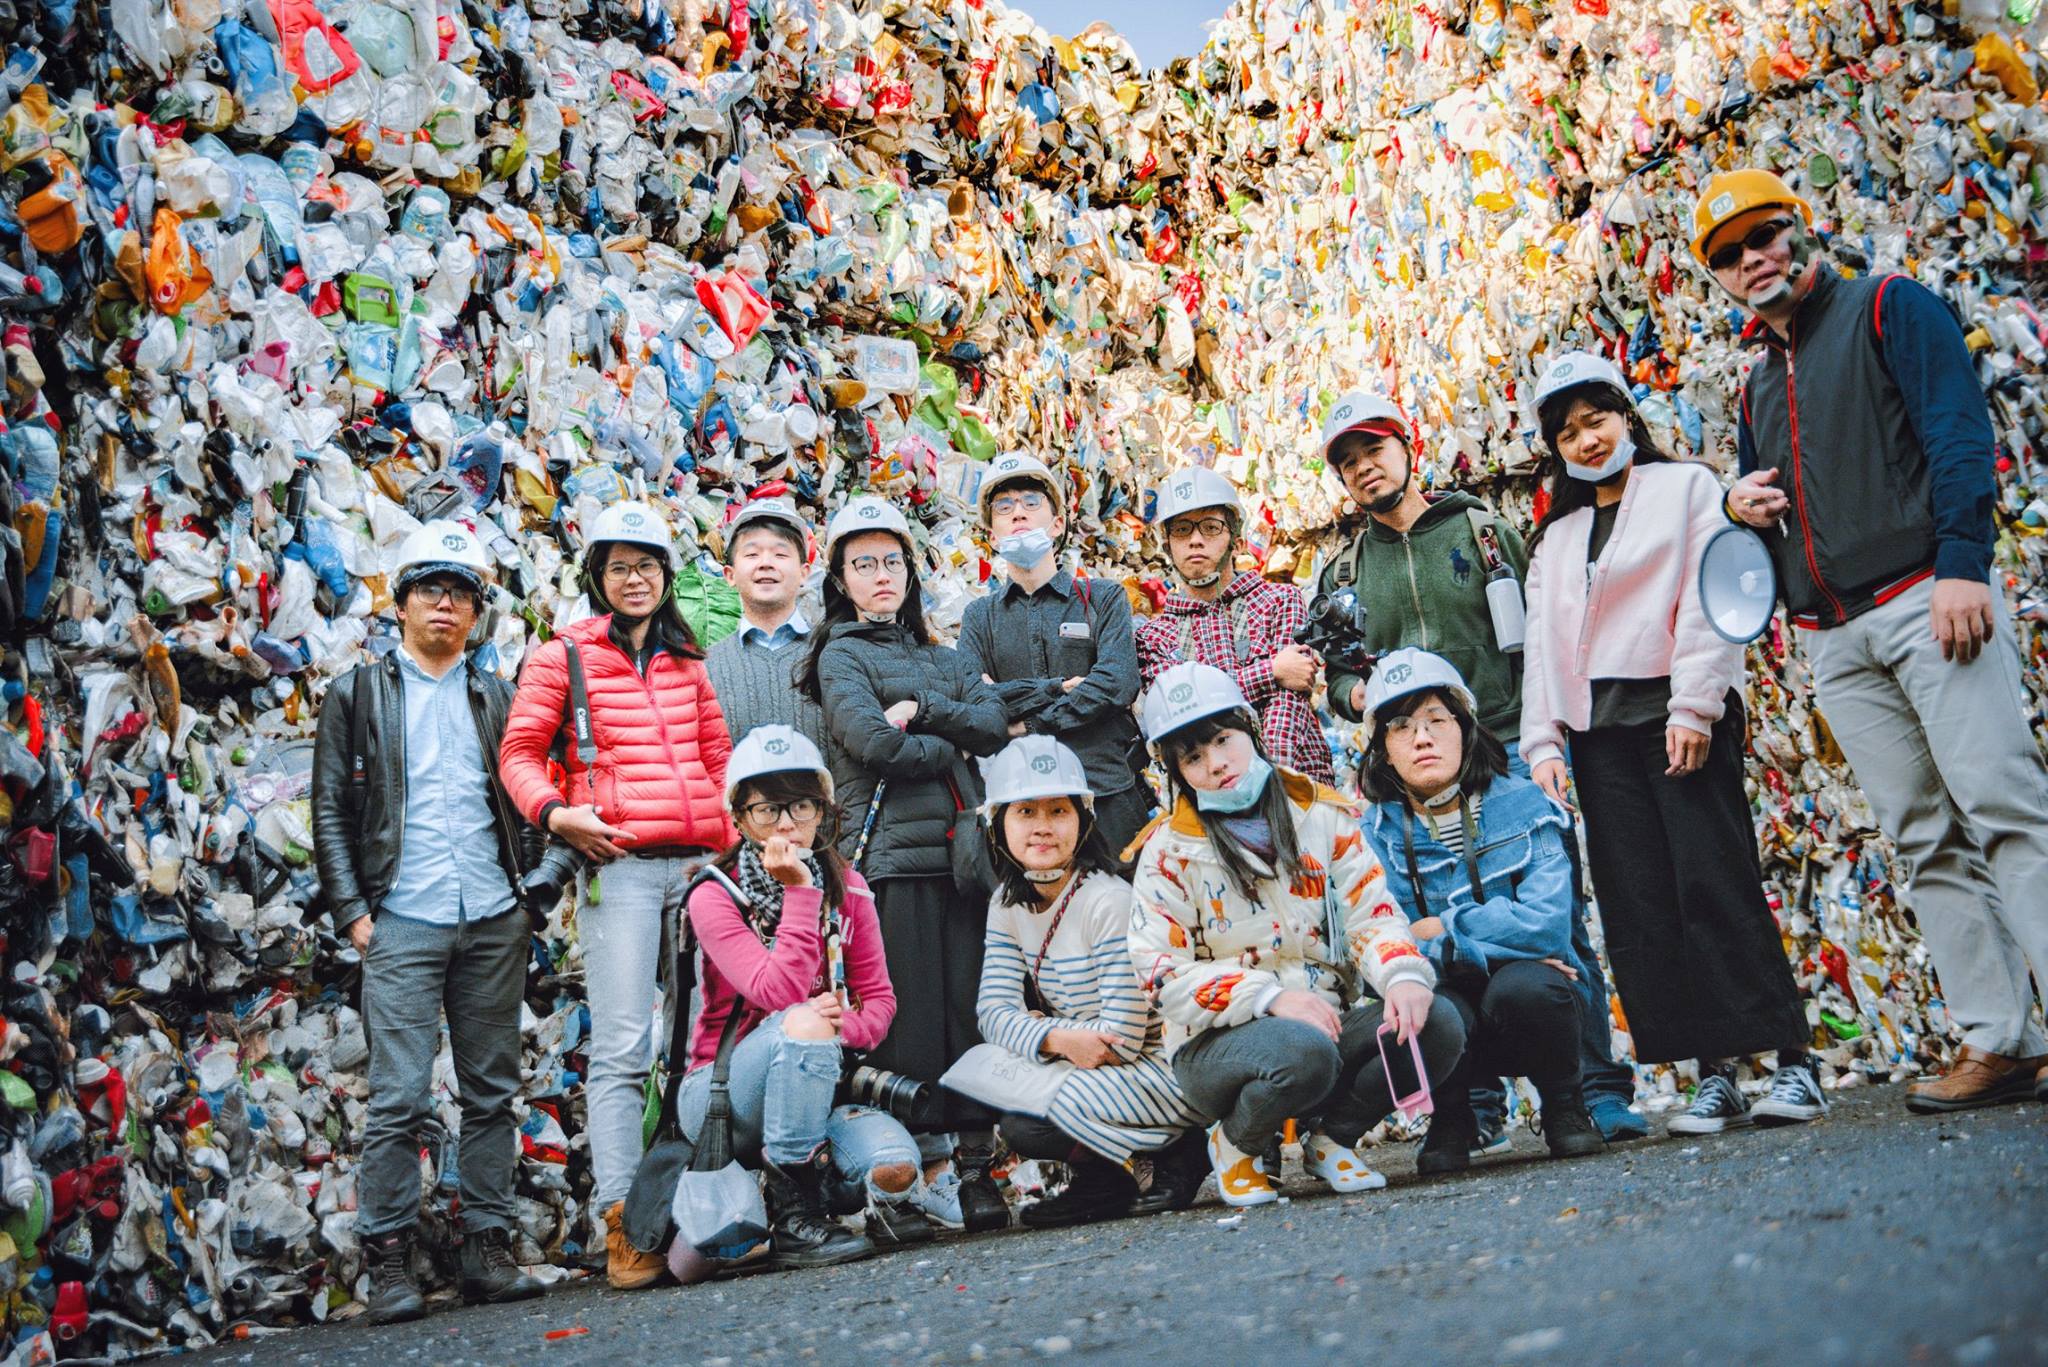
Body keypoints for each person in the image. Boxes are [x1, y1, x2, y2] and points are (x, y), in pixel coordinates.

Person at [1698, 169, 2048, 1112]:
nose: (1751, 261)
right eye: (1728, 256)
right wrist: (1738, 501)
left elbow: (1958, 432)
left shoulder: (1890, 306)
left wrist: (1964, 564)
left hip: (1926, 598)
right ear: (1722, 279)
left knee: (2005, 806)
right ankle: (2001, 1042)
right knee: (1924, 835)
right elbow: (1759, 493)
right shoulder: (1758, 380)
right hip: (1833, 637)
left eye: (1762, 236)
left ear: (1801, 230)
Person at [1314, 393, 1646, 1149]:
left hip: (1504, 749)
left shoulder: (1484, 532)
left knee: (1560, 930)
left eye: (1375, 449)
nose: (1364, 468)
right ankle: (1475, 1105)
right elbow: (1332, 669)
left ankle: (1597, 1090)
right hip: (1414, 773)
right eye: (1348, 461)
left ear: (1409, 446)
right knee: (1425, 914)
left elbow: (1543, 635)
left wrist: (1546, 743)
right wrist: (1354, 692)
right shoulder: (1345, 570)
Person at [1521, 351, 1823, 1136]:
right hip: (1599, 740)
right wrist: (1543, 744)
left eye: (1597, 420)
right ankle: (1711, 1073)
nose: (1587, 441)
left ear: (1627, 417)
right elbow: (1543, 646)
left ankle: (1793, 1062)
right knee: (1645, 906)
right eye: (1568, 433)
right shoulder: (1557, 536)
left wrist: (1694, 705)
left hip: (1675, 718)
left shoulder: (1688, 488)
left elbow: (1713, 597)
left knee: (1715, 881)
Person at [497, 500, 736, 1289]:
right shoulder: (562, 656)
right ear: (598, 577)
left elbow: (718, 757)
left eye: (648, 566)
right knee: (626, 1048)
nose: (635, 579)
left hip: (699, 867)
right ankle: (622, 1224)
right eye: (619, 567)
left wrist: (731, 843)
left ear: (667, 577)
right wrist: (556, 813)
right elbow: (520, 754)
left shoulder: (686, 658)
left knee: (708, 1045)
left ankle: (707, 1206)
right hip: (619, 867)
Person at [311, 520, 546, 1322]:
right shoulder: (358, 692)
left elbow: (528, 794)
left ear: (477, 611)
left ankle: (486, 1245)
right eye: (429, 590)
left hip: (489, 913)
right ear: (401, 602)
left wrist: (530, 897)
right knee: (400, 1096)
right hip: (401, 918)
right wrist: (353, 914)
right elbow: (332, 810)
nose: (445, 604)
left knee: (491, 1091)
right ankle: (388, 1260)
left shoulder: (498, 694)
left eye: (460, 593)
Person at [1127, 663, 1465, 1207]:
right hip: (1215, 1047)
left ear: (1250, 730)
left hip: (1323, 1020)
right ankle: (1238, 1142)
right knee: (1302, 1050)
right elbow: (1160, 972)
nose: (1216, 765)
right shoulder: (1167, 850)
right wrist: (1269, 997)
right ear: (1175, 771)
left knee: (1435, 1020)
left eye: (1222, 740)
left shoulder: (1321, 816)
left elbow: (1371, 915)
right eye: (1192, 757)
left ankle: (1333, 1139)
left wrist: (1401, 975)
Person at [795, 495, 1013, 1231]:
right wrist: (946, 734)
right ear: (840, 578)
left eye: (891, 560)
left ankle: (979, 1170)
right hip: (889, 858)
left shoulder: (943, 658)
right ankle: (921, 1169)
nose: (881, 574)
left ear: (910, 573)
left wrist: (924, 711)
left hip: (965, 857)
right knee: (910, 1023)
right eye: (864, 563)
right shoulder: (840, 654)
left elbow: (992, 724)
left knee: (973, 1015)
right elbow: (871, 743)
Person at [682, 725, 939, 1268]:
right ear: (739, 819)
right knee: (803, 1021)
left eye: (800, 806)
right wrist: (800, 891)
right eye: (766, 809)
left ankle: (813, 1192)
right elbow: (777, 992)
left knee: (894, 1169)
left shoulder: (853, 889)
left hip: (821, 1081)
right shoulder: (713, 894)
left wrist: (844, 1023)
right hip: (724, 1095)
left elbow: (880, 1003)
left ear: (822, 812)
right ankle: (795, 1217)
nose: (785, 824)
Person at [1358, 649, 1605, 1171]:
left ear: (1464, 728)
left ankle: (1566, 1107)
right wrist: (1483, 942)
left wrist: (1441, 928)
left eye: (1435, 721)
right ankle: (1455, 1117)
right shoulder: (1371, 836)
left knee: (1530, 985)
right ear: (1383, 750)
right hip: (1449, 1008)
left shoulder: (1528, 806)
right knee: (1431, 1002)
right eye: (1401, 728)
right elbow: (1376, 939)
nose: (1421, 738)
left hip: (1524, 1005)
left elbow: (1546, 928)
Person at [969, 736, 1206, 1227]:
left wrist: (1045, 1035)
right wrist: (1056, 1037)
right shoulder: (1006, 905)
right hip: (1088, 1056)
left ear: (1084, 818)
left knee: (1030, 1116)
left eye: (1058, 811)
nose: (1042, 828)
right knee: (994, 1088)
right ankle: (1112, 1177)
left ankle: (1179, 1150)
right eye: (1025, 812)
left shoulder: (1106, 900)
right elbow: (991, 1011)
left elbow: (1120, 1039)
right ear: (997, 824)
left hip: (1158, 1066)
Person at [957, 452, 1152, 860]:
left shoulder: (1103, 597)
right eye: (1004, 507)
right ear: (992, 534)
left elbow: (1117, 682)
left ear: (1058, 523)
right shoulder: (979, 617)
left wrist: (1025, 721)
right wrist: (1057, 689)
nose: (1018, 514)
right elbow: (976, 702)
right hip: (1023, 804)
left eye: (1031, 502)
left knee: (1124, 911)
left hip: (1106, 791)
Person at [1135, 468, 1336, 785]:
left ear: (1237, 541)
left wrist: (1267, 783)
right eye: (1182, 530)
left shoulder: (1279, 601)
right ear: (1168, 546)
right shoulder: (1153, 637)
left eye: (1211, 528)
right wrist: (1270, 671)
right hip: (1213, 797)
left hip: (1298, 784)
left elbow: (1289, 700)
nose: (1196, 540)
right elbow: (1182, 717)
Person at [705, 498, 826, 747]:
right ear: (729, 575)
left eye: (781, 554)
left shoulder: (832, 656)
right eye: (751, 554)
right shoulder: (706, 667)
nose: (766, 563)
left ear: (804, 573)